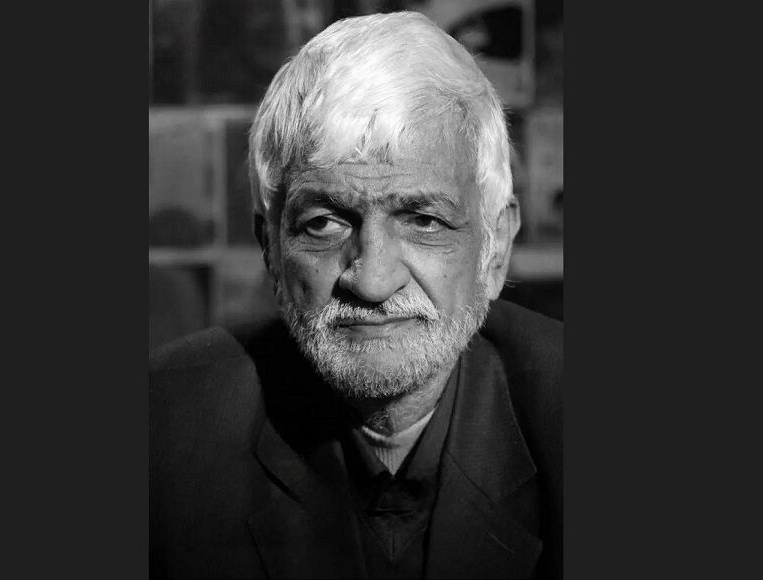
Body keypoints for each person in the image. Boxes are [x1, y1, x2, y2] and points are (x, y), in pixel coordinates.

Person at [150, 11, 562, 580]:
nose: (372, 281)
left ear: (494, 249)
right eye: (324, 224)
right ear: (270, 249)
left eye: (423, 220)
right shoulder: (160, 435)